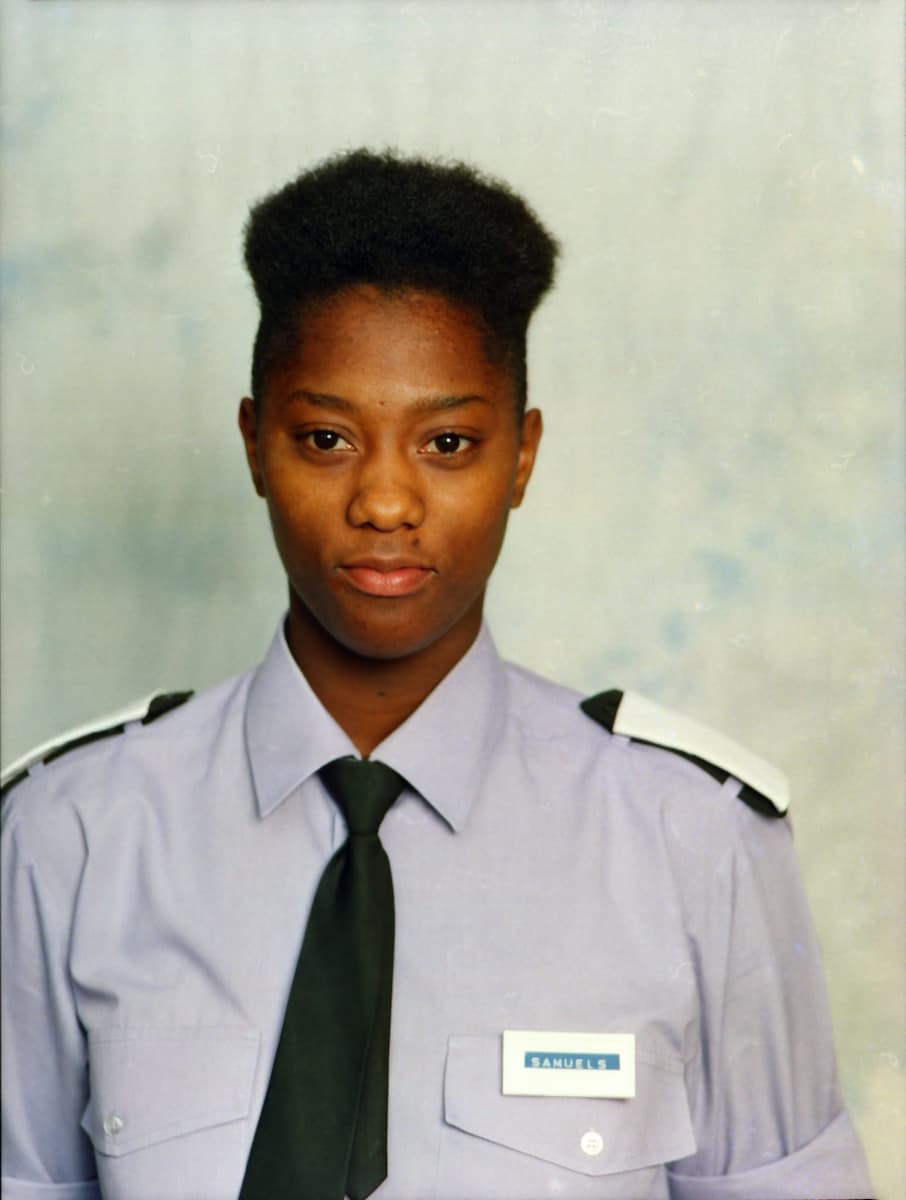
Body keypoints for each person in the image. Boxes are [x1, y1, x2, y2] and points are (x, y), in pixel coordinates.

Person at [1, 149, 872, 1200]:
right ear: (252, 444)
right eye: (325, 438)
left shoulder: (696, 844)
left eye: (448, 442)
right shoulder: (70, 838)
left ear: (521, 457)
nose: (384, 501)